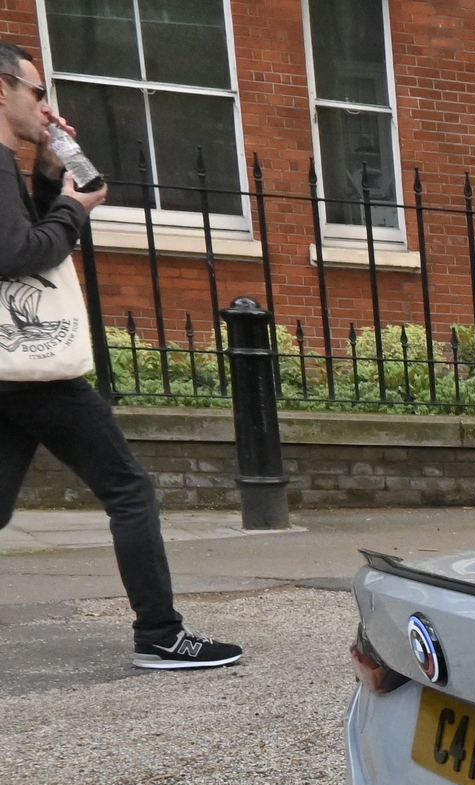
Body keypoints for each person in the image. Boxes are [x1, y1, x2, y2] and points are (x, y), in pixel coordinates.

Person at [0, 41, 239, 669]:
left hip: (9, 368)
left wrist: (51, 174)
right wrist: (75, 210)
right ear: (2, 89)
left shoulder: (6, 161)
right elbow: (21, 254)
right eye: (37, 91)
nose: (45, 106)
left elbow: (17, 229)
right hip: (33, 368)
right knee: (130, 491)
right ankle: (160, 634)